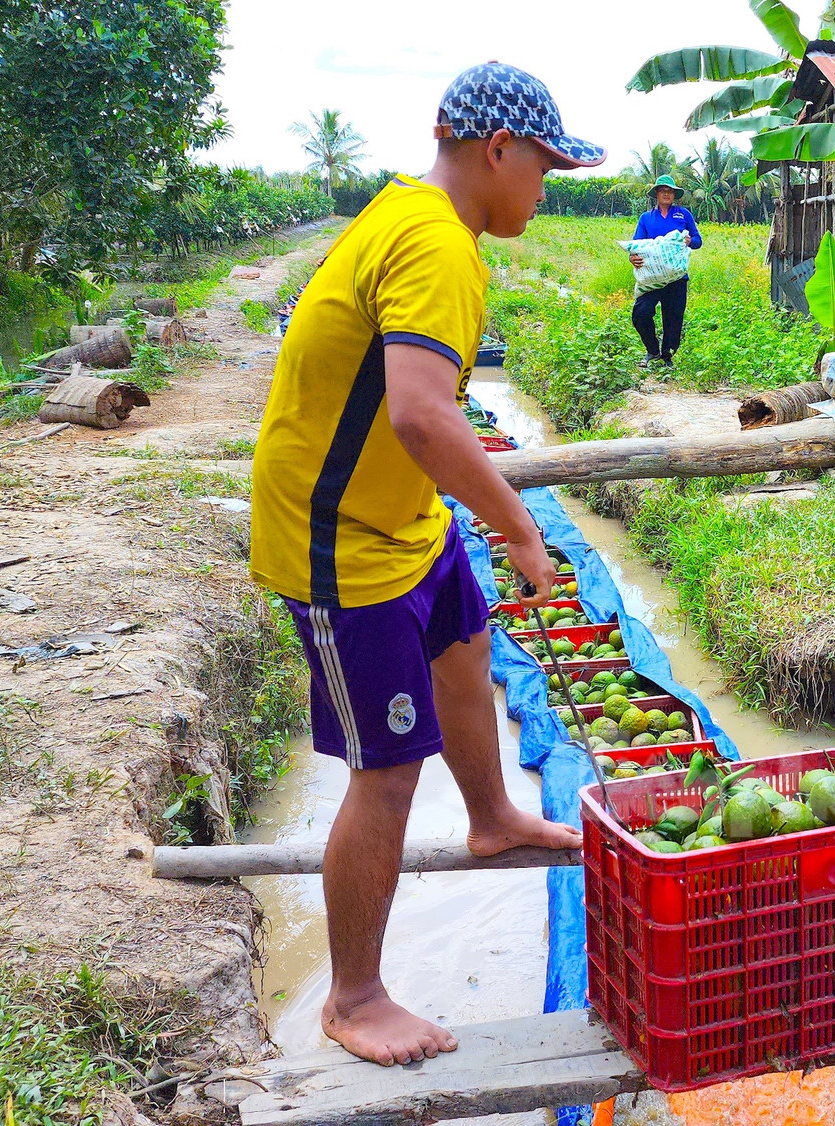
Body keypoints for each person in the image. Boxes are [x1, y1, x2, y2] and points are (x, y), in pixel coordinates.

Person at [249, 61, 606, 1067]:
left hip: (402, 516)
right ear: (497, 150)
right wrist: (521, 528)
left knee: (463, 633)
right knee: (389, 770)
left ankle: (492, 815)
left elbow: (407, 417)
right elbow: (418, 410)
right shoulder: (438, 246)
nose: (544, 189)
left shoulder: (414, 213)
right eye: (544, 169)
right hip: (340, 544)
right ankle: (353, 997)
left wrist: (474, 524)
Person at [627, 172, 702, 365]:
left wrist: (689, 241)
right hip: (652, 278)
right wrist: (632, 257)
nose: (666, 194)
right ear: (657, 194)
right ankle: (652, 350)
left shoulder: (683, 215)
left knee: (673, 318)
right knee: (641, 313)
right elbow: (637, 245)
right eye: (662, 191)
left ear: (674, 195)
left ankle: (667, 356)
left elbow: (698, 240)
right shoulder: (646, 218)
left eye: (670, 191)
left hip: (676, 277)